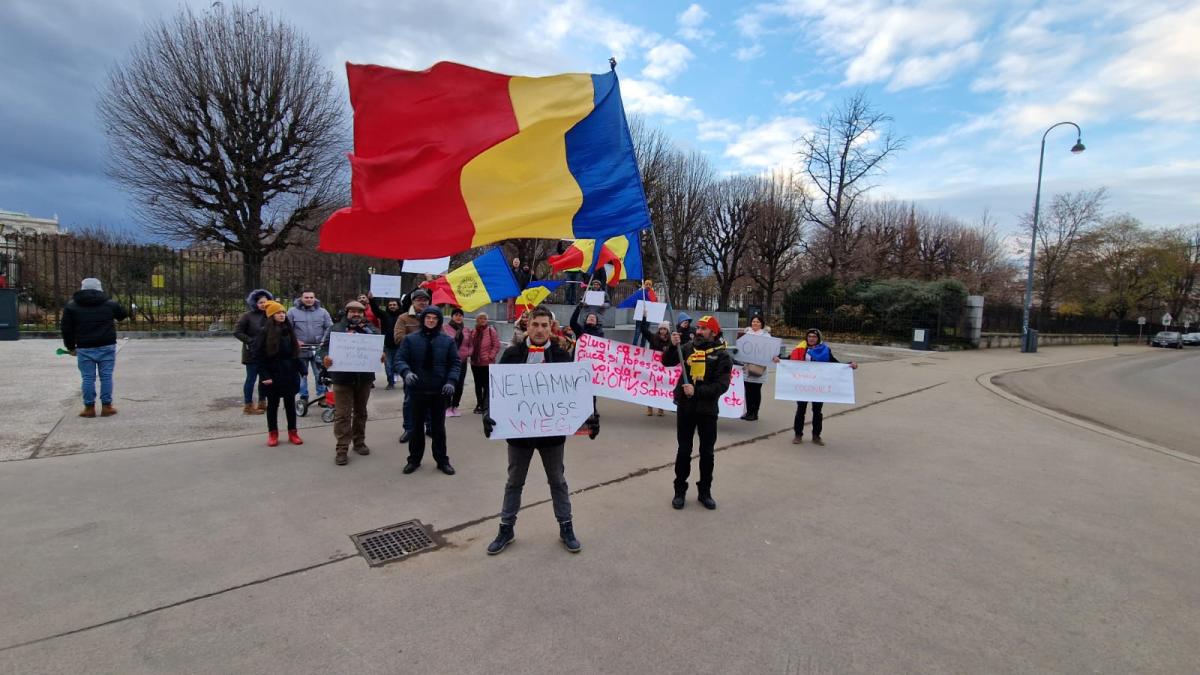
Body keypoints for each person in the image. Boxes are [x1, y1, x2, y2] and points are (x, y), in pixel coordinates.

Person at [483, 306, 599, 555]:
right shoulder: (513, 354)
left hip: (551, 434)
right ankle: (506, 528)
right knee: (514, 481)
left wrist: (590, 417)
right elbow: (495, 392)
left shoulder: (561, 356)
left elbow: (578, 393)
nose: (539, 330)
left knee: (557, 481)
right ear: (527, 326)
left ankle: (566, 526)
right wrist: (488, 413)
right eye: (535, 324)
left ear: (551, 328)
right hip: (518, 434)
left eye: (545, 325)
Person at [662, 315, 732, 510]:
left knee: (707, 453)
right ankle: (679, 491)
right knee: (683, 450)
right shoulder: (687, 347)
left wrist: (698, 391)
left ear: (713, 332)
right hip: (685, 408)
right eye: (698, 328)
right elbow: (667, 362)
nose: (698, 331)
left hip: (707, 411)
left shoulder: (723, 356)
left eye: (703, 328)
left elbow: (722, 385)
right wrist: (671, 345)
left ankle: (704, 492)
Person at [394, 306, 461, 475]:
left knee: (439, 429)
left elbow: (455, 363)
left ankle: (442, 460)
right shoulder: (410, 339)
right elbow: (400, 359)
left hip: (439, 392)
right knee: (416, 429)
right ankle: (414, 460)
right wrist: (406, 372)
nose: (431, 320)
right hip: (417, 391)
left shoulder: (447, 341)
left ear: (438, 321)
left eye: (435, 318)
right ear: (423, 319)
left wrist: (451, 381)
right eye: (428, 317)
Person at [319, 301, 379, 466]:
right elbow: (322, 349)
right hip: (342, 378)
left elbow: (379, 348)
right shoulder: (335, 329)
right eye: (352, 311)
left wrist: (381, 356)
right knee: (342, 415)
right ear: (347, 313)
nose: (356, 314)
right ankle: (342, 449)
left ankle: (359, 442)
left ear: (363, 313)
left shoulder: (372, 330)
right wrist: (325, 358)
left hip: (364, 378)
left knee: (361, 412)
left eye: (359, 312)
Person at [60, 277, 128, 417]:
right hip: (106, 345)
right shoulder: (109, 303)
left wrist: (71, 347)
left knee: (88, 378)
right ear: (100, 289)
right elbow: (123, 315)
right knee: (106, 376)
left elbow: (66, 329)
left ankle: (89, 408)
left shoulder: (72, 306)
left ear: (82, 288)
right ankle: (107, 407)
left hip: (84, 347)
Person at [781, 328, 857, 446]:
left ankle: (816, 436)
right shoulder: (800, 349)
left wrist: (849, 365)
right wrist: (779, 359)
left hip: (818, 387)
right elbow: (790, 360)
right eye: (809, 336)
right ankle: (798, 435)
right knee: (800, 410)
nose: (811, 338)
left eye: (814, 337)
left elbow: (835, 363)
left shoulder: (825, 350)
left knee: (817, 411)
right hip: (803, 385)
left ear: (818, 338)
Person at [253, 301, 304, 446]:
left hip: (289, 373)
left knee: (290, 404)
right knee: (273, 405)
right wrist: (264, 375)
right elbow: (258, 356)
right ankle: (273, 433)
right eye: (278, 313)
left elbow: (295, 352)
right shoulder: (264, 332)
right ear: (271, 316)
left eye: (283, 312)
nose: (282, 315)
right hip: (272, 374)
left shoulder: (289, 330)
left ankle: (293, 433)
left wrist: (301, 368)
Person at [394, 289, 431, 443]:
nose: (422, 302)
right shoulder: (403, 318)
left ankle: (430, 426)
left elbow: (441, 336)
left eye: (425, 300)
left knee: (430, 398)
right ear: (413, 302)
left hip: (430, 365)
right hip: (411, 365)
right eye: (419, 300)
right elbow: (398, 338)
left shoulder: (433, 317)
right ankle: (409, 429)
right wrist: (421, 339)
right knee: (410, 399)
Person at [287, 290, 332, 405]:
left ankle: (322, 396)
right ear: (301, 298)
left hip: (318, 349)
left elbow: (329, 327)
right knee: (303, 374)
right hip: (300, 350)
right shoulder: (292, 312)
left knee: (320, 374)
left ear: (315, 298)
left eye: (311, 297)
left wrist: (323, 341)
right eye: (306, 297)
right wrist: (295, 341)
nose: (309, 300)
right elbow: (287, 329)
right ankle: (303, 396)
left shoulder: (322, 312)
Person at [235, 289, 274, 415]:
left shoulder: (270, 315)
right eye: (260, 302)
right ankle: (248, 405)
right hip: (251, 353)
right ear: (255, 303)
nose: (263, 304)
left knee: (265, 379)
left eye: (266, 302)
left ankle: (263, 402)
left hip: (267, 353)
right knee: (251, 379)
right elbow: (237, 332)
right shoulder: (247, 316)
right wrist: (251, 341)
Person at [464, 312, 501, 414]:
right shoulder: (474, 331)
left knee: (486, 384)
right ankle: (479, 403)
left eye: (484, 319)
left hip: (487, 363)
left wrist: (491, 356)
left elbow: (496, 345)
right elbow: (469, 344)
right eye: (481, 318)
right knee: (477, 384)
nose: (483, 320)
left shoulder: (490, 330)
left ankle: (485, 404)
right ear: (477, 320)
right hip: (475, 362)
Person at [736, 314, 771, 422]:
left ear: (762, 324)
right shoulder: (746, 334)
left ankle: (754, 412)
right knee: (748, 390)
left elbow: (769, 350)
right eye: (753, 322)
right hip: (747, 367)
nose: (755, 324)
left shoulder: (766, 336)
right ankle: (749, 411)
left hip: (759, 367)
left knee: (755, 390)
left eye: (757, 322)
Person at [368, 293, 404, 389]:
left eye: (394, 305)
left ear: (398, 306)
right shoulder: (384, 315)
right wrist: (372, 300)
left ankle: (406, 381)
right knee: (388, 366)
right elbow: (375, 310)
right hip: (387, 346)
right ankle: (390, 383)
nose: (392, 306)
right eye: (390, 305)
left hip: (400, 345)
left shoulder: (403, 316)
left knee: (400, 364)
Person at [639, 320, 673, 416]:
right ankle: (649, 408)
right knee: (651, 387)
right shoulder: (653, 337)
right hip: (653, 368)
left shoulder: (671, 341)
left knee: (661, 388)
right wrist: (644, 318)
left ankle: (661, 408)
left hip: (665, 369)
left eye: (664, 329)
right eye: (661, 329)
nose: (662, 331)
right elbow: (643, 330)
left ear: (668, 330)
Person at [443, 307, 468, 416]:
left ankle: (455, 406)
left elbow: (470, 344)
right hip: (449, 361)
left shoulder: (466, 329)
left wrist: (468, 352)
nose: (458, 317)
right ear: (452, 316)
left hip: (462, 361)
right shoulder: (445, 328)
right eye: (456, 315)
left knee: (459, 384)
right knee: (449, 383)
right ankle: (447, 406)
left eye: (460, 315)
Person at [630, 280, 658, 347]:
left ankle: (642, 348)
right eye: (646, 284)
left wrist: (656, 299)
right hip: (640, 316)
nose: (648, 286)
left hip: (648, 316)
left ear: (651, 286)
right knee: (637, 332)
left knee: (645, 333)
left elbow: (655, 305)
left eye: (649, 285)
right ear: (644, 285)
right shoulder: (640, 292)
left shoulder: (652, 294)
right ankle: (634, 347)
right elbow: (635, 302)